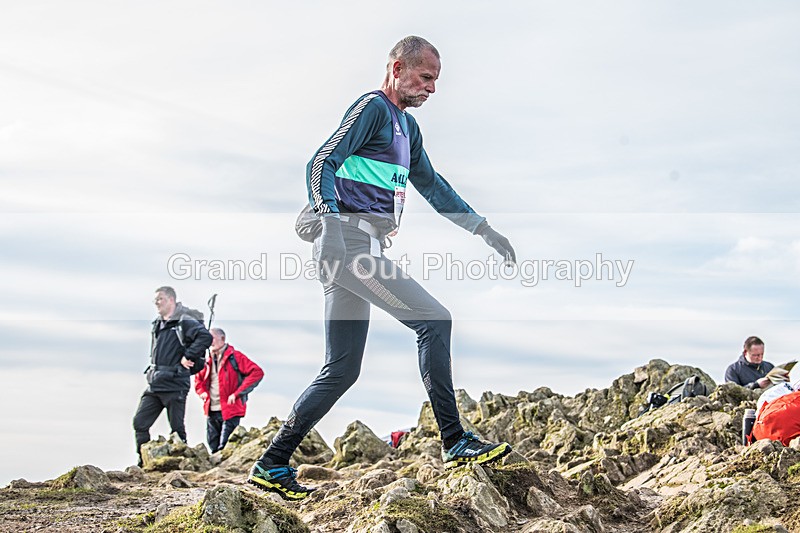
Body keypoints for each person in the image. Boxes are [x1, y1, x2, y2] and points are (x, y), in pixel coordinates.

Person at [248, 36, 516, 500]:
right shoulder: (372, 108)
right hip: (348, 244)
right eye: (425, 77)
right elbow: (321, 163)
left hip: (358, 247)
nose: (432, 88)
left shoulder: (407, 130)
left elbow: (434, 187)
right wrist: (330, 219)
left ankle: (272, 463)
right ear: (397, 69)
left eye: (436, 81)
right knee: (434, 321)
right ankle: (455, 441)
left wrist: (483, 229)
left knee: (342, 368)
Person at [133, 286, 212, 466]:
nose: (156, 303)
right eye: (156, 299)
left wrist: (188, 356)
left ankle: (183, 464)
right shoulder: (157, 324)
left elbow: (205, 337)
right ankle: (144, 462)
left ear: (170, 300)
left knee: (177, 429)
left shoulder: (183, 321)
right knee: (140, 423)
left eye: (159, 299)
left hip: (176, 384)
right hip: (155, 383)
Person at [194, 328, 264, 453]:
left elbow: (257, 372)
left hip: (231, 408)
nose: (210, 342)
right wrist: (202, 392)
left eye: (212, 338)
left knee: (225, 447)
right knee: (213, 446)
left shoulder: (235, 357)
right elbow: (198, 381)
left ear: (222, 339)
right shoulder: (206, 360)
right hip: (211, 408)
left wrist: (238, 393)